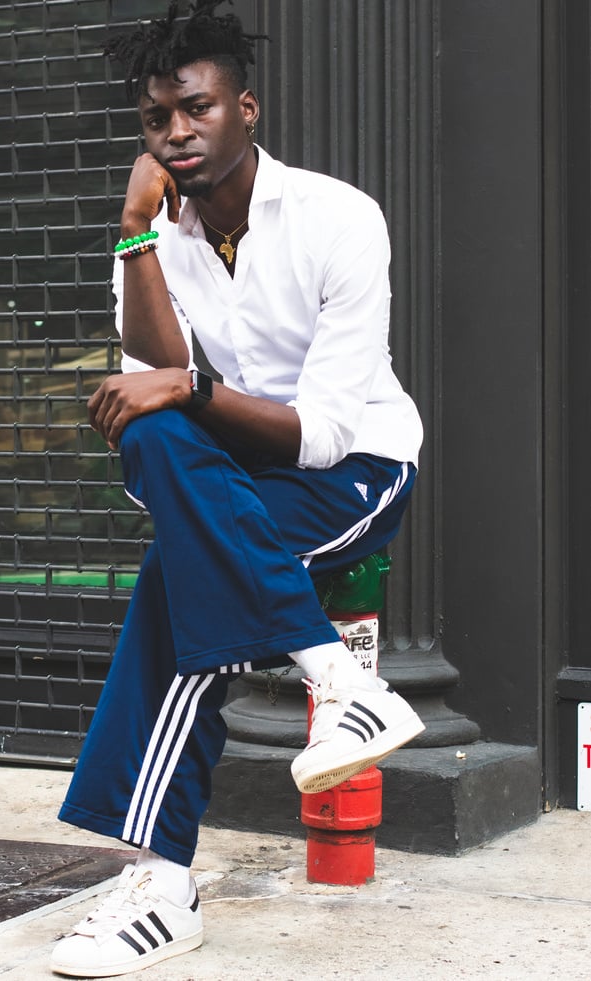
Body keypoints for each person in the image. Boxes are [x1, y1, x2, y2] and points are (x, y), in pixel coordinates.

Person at [51, 1, 424, 976]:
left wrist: (191, 388)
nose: (174, 132)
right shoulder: (156, 238)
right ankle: (336, 680)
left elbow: (323, 436)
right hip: (223, 478)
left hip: (351, 475)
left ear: (244, 108)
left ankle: (161, 889)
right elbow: (150, 386)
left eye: (196, 108)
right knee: (157, 428)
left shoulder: (337, 218)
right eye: (155, 119)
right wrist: (135, 232)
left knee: (175, 593)